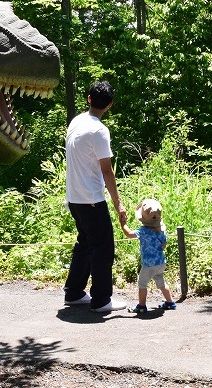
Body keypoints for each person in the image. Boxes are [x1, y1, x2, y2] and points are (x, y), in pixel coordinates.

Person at [63, 81, 134, 313]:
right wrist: (119, 204)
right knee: (103, 246)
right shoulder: (99, 131)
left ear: (88, 99)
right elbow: (107, 170)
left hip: (74, 197)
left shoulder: (76, 122)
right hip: (91, 199)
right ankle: (102, 299)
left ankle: (74, 292)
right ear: (110, 105)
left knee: (85, 243)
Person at [126, 198, 177, 314]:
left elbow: (129, 234)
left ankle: (141, 306)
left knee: (142, 283)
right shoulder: (161, 230)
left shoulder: (143, 231)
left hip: (148, 264)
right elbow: (164, 245)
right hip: (160, 262)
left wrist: (123, 224)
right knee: (161, 282)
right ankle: (170, 302)